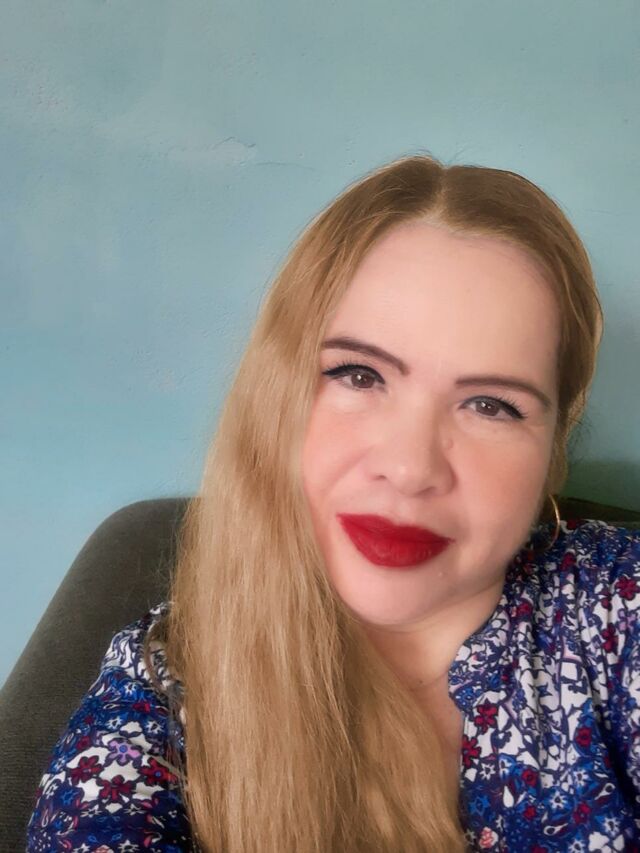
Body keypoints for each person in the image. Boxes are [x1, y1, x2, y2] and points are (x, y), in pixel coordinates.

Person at [26, 154, 640, 852]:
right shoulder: (169, 684)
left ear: (553, 448)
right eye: (359, 374)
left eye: (491, 405)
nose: (409, 468)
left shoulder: (617, 604)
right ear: (277, 395)